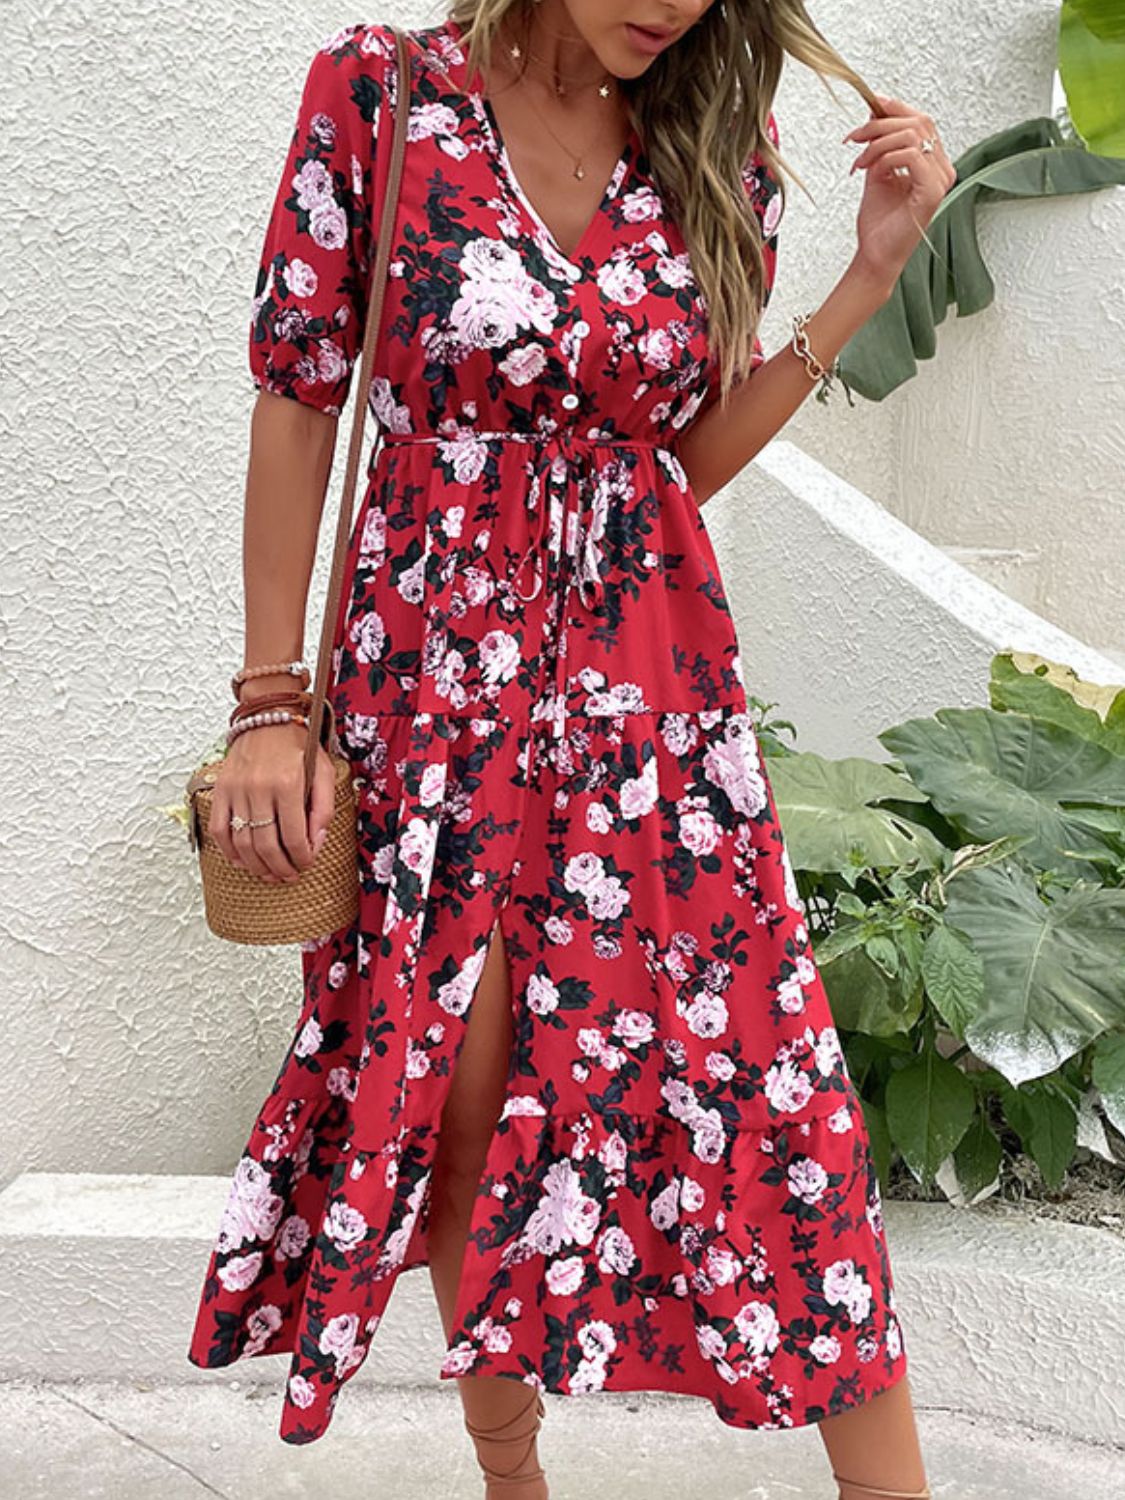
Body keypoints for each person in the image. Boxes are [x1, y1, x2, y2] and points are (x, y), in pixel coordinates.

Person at [188, 4, 954, 1496]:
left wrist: (869, 274)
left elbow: (672, 464)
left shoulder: (717, 144)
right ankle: (511, 1477)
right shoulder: (381, 93)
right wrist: (269, 702)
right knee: (464, 1105)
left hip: (652, 692)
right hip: (431, 687)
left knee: (774, 1089)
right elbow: (298, 401)